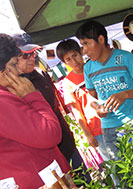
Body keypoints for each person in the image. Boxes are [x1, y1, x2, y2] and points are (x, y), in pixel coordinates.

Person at [12, 32, 91, 183]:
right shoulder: (11, 87)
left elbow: (56, 109)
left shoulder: (41, 74)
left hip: (67, 145)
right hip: (46, 158)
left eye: (34, 53)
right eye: (25, 55)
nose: (32, 58)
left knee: (86, 183)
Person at [0, 33, 72, 188]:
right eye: (13, 64)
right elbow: (50, 133)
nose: (18, 69)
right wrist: (32, 96)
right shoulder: (2, 100)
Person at [75, 20, 133, 161]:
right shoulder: (88, 68)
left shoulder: (125, 57)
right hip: (108, 129)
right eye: (82, 45)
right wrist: (97, 107)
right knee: (125, 177)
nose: (84, 50)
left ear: (101, 39)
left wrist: (125, 94)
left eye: (86, 44)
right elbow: (92, 97)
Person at [56, 39, 110, 161]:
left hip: (114, 119)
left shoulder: (96, 67)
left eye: (75, 55)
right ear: (64, 62)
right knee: (115, 166)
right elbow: (77, 111)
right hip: (97, 129)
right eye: (68, 59)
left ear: (81, 52)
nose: (74, 61)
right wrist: (87, 134)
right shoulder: (68, 83)